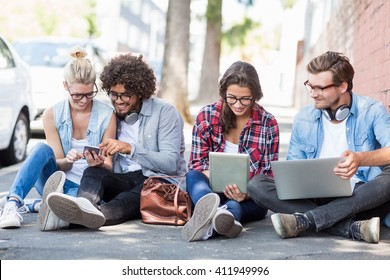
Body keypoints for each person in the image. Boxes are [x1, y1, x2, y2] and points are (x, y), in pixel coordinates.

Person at [248, 51, 390, 243]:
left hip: (359, 198)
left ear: (343, 86)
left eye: (320, 88)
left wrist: (360, 159)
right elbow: (293, 168)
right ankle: (350, 228)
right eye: (310, 86)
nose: (313, 93)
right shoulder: (304, 117)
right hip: (314, 197)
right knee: (256, 184)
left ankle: (305, 220)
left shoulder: (372, 110)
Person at [45, 53, 187, 228]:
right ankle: (82, 209)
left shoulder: (165, 112)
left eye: (125, 95)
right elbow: (108, 166)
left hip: (155, 182)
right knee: (92, 172)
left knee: (124, 201)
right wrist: (97, 161)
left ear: (140, 92)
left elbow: (171, 163)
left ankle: (78, 219)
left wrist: (129, 148)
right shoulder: (113, 116)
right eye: (114, 94)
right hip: (124, 178)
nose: (118, 101)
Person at [0, 47, 116, 230]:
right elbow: (58, 163)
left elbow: (109, 166)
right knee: (41, 149)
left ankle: (38, 205)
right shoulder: (52, 114)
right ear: (65, 86)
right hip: (55, 180)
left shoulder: (107, 115)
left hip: (86, 187)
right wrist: (67, 160)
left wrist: (99, 162)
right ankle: (12, 204)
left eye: (88, 94)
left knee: (78, 203)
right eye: (77, 95)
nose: (84, 101)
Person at [182, 61, 279, 242]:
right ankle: (217, 215)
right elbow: (197, 163)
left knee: (236, 203)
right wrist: (216, 178)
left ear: (255, 96)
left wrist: (247, 193)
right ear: (223, 93)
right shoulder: (207, 116)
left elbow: (268, 175)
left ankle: (210, 221)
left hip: (250, 198)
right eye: (232, 97)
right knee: (193, 176)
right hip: (210, 190)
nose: (238, 104)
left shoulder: (268, 123)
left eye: (245, 99)